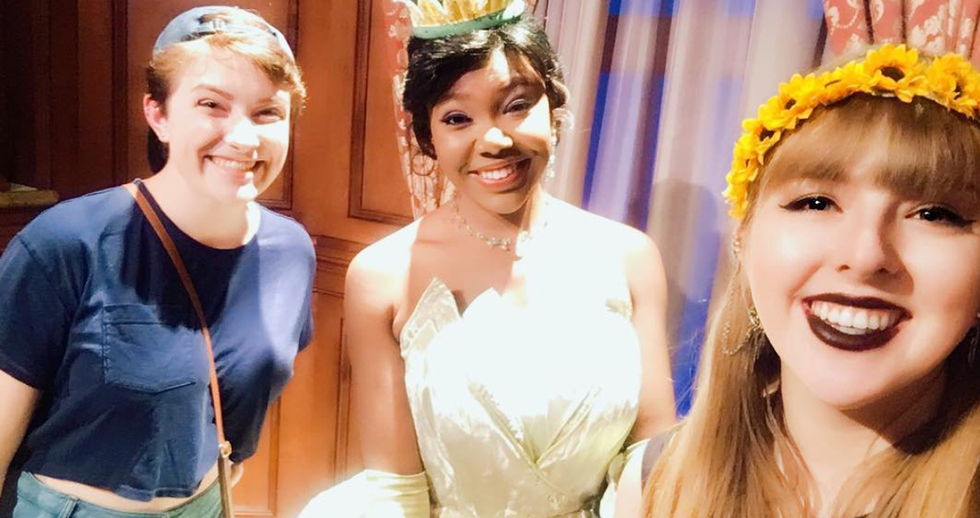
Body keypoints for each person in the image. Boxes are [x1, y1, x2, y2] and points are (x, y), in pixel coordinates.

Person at [302, 1, 676, 516]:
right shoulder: (383, 274)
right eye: (458, 118)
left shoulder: (629, 258)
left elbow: (651, 459)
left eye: (517, 105)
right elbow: (395, 491)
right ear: (428, 137)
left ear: (555, 109)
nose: (495, 140)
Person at [614, 44, 980, 518]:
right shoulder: (656, 482)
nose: (865, 256)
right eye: (816, 203)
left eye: (934, 214)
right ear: (744, 238)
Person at [0, 6, 313, 518]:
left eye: (267, 113)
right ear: (158, 115)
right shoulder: (66, 242)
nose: (244, 138)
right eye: (212, 104)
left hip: (209, 504)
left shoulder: (291, 250)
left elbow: (235, 395)